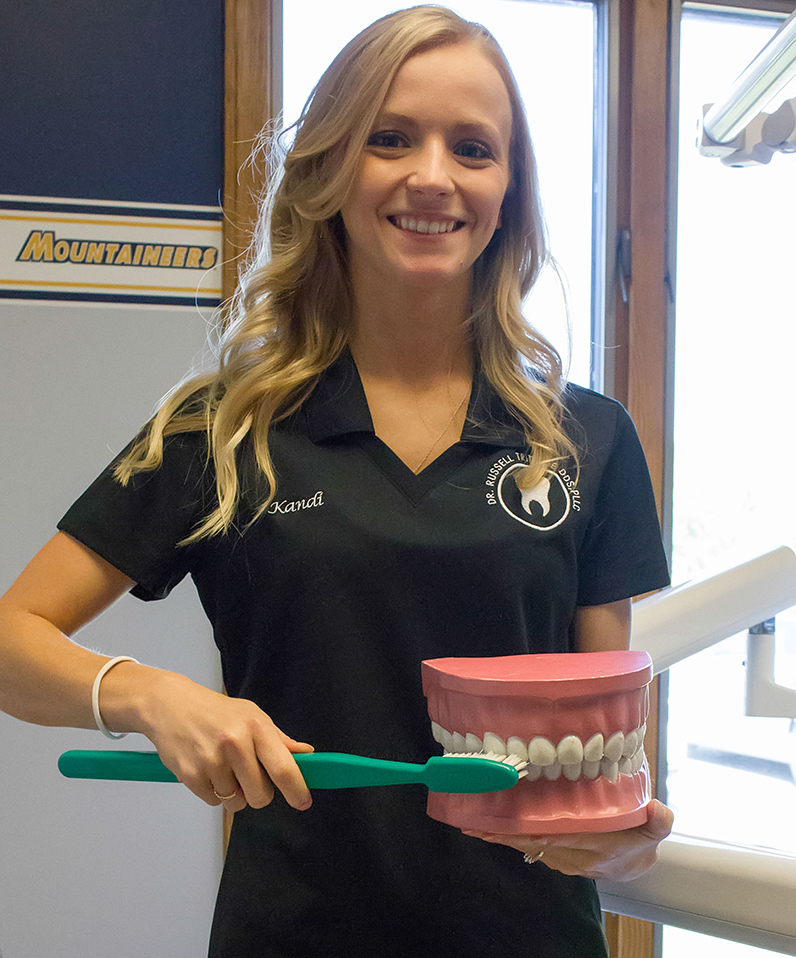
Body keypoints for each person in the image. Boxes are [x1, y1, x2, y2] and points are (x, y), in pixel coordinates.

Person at [0, 6, 673, 957]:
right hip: (295, 934)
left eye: (472, 148)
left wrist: (613, 845)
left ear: (508, 189)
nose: (432, 176)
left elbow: (604, 764)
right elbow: (10, 641)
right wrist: (151, 697)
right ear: (328, 168)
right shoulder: (223, 427)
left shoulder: (589, 437)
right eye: (389, 138)